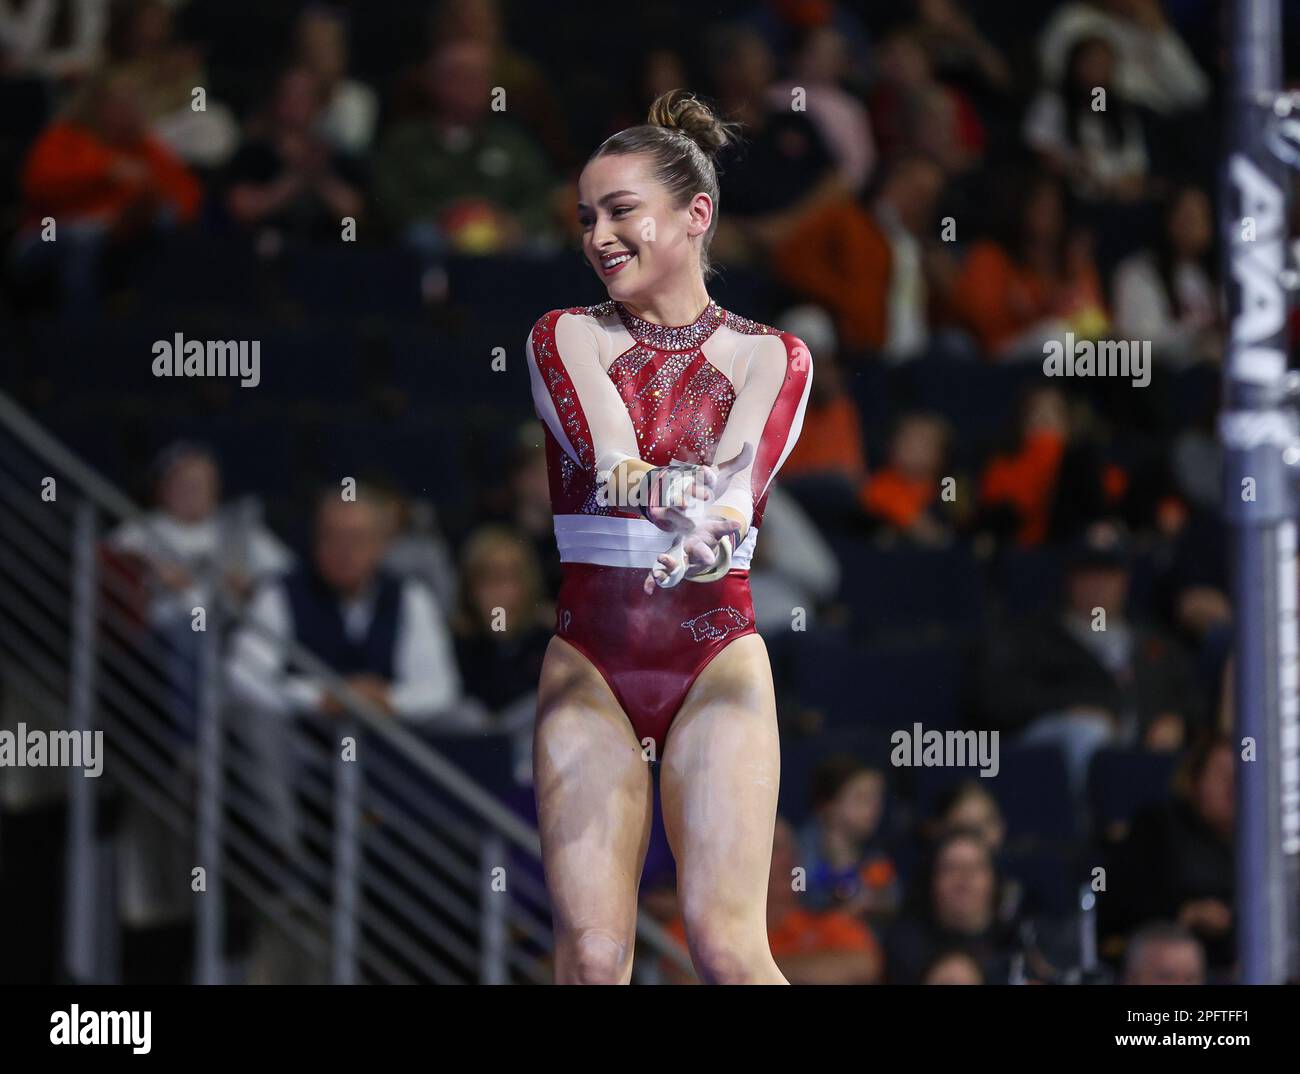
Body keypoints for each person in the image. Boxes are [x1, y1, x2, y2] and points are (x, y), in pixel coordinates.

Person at [526, 89, 812, 984]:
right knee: (595, 954)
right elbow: (612, 463)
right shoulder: (564, 336)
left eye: (620, 212)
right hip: (592, 666)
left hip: (717, 659)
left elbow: (744, 489)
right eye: (586, 218)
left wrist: (719, 522)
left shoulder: (772, 354)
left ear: (695, 216)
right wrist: (697, 505)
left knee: (728, 947)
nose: (597, 236)